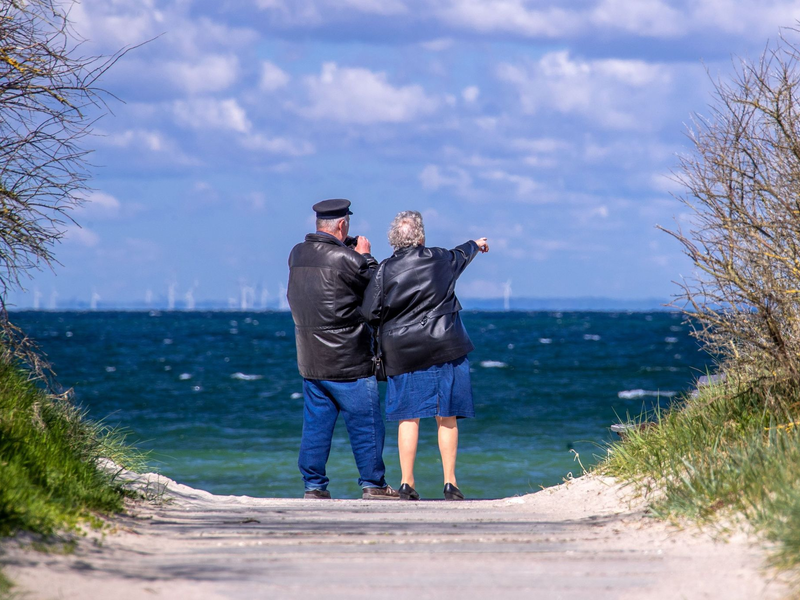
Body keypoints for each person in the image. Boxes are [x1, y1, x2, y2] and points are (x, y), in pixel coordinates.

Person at [362, 210, 488, 501]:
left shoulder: (384, 270)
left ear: (394, 239)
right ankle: (450, 483)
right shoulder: (440, 258)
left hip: (403, 352)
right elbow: (462, 254)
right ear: (420, 237)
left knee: (409, 417)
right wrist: (476, 244)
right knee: (447, 416)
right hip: (447, 346)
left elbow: (369, 312)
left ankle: (406, 482)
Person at [287, 199, 398, 500]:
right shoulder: (348, 260)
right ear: (342, 224)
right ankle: (373, 484)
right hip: (349, 358)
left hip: (311, 358)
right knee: (366, 425)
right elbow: (378, 287)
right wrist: (366, 256)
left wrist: (348, 252)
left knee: (316, 427)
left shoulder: (297, 254)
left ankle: (314, 486)